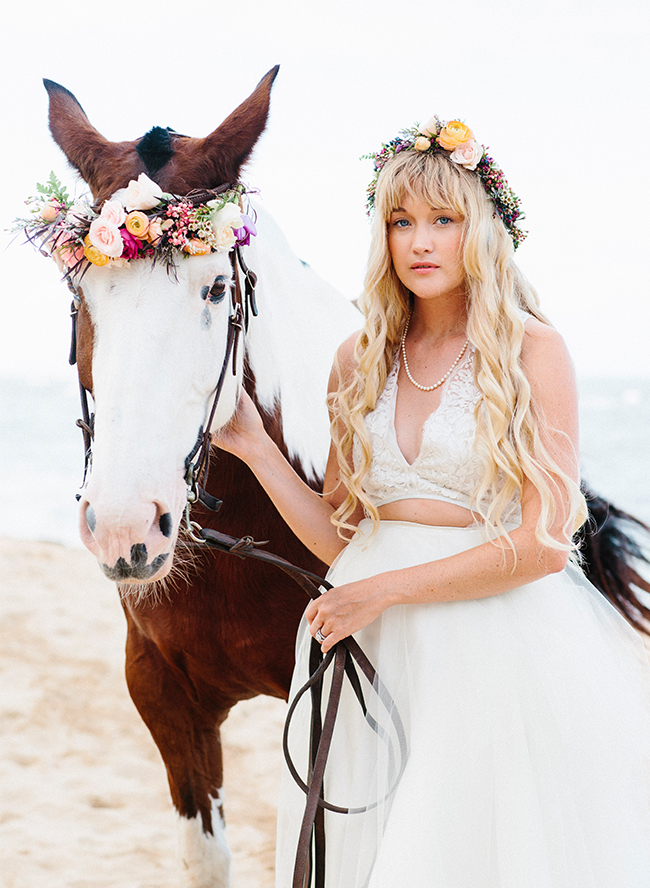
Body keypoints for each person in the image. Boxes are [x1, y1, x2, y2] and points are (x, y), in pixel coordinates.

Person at [215, 117, 650, 887]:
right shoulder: (360, 357)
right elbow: (341, 534)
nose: (420, 241)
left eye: (442, 221)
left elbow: (545, 543)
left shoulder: (529, 350)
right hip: (376, 645)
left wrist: (379, 590)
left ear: (480, 229)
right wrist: (255, 447)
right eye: (401, 222)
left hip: (491, 646)